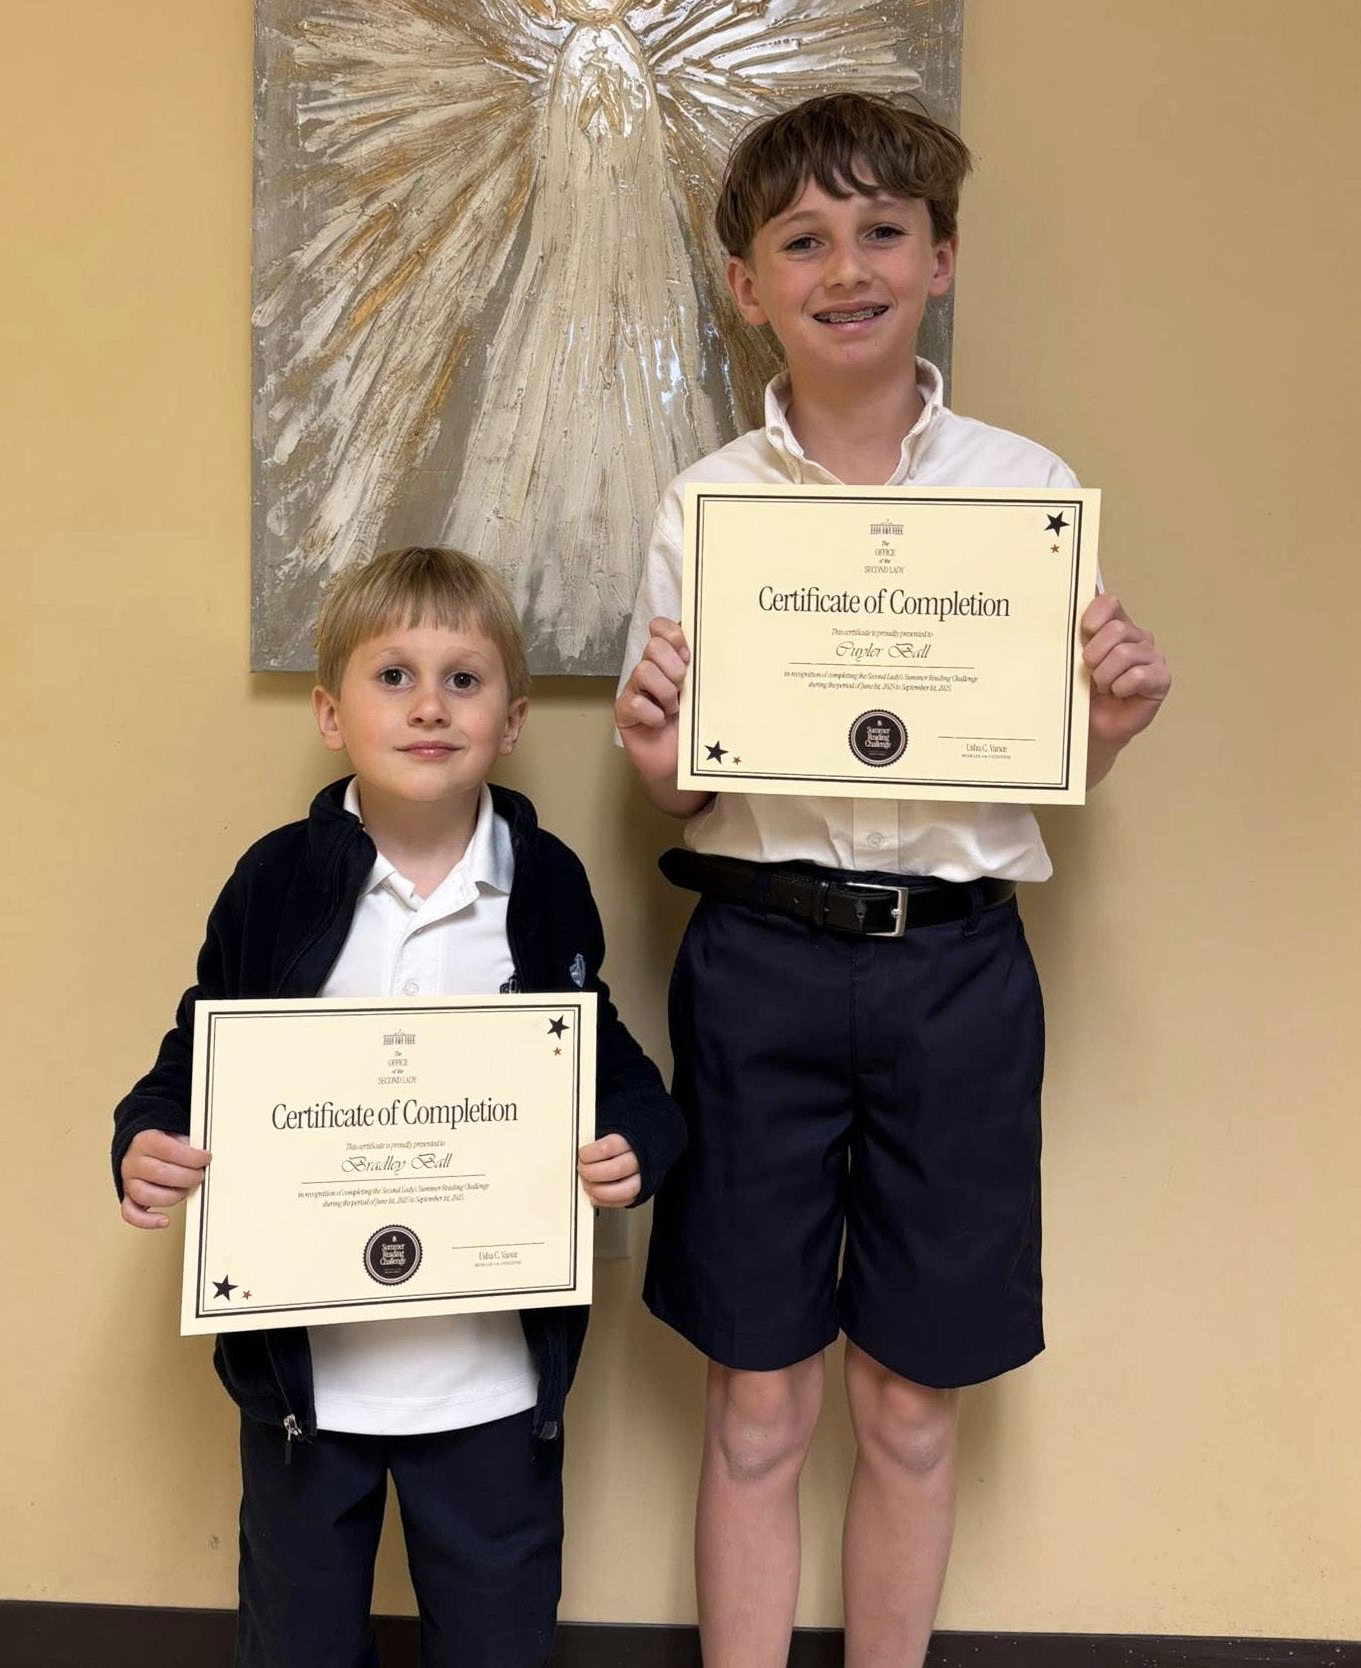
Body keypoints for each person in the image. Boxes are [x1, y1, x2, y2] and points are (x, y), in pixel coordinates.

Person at [614, 93, 1171, 1668]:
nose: (844, 267)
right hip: (757, 966)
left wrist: (1106, 725)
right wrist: (656, 754)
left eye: (879, 232)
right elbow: (684, 779)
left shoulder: (1023, 487)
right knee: (757, 1399)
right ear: (748, 287)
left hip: (954, 975)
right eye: (802, 240)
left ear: (940, 259)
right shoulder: (705, 504)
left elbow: (1039, 758)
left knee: (910, 1406)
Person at [113, 545, 686, 1668]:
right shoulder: (275, 881)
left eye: (463, 680)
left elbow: (600, 1049)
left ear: (511, 721)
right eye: (393, 677)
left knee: (496, 1641)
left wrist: (640, 1140)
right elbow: (199, 1049)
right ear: (331, 714)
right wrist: (146, 1138)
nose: (430, 705)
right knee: (300, 1644)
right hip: (306, 1386)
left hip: (492, 1380)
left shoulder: (545, 881)